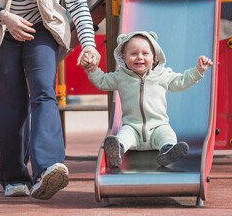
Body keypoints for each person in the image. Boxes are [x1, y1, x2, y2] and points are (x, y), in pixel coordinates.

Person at [0, 0, 100, 199]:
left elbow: (77, 1)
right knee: (9, 103)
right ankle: (14, 177)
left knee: (44, 92)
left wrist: (89, 44)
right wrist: (3, 16)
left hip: (41, 28)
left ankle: (47, 168)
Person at [80, 31, 212, 167]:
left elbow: (181, 81)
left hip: (158, 126)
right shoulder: (120, 76)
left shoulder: (162, 75)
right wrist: (92, 69)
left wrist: (198, 71)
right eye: (133, 54)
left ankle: (167, 151)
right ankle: (117, 151)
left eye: (145, 53)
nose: (139, 57)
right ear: (123, 58)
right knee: (123, 136)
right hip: (132, 127)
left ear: (154, 57)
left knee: (168, 134)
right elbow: (102, 81)